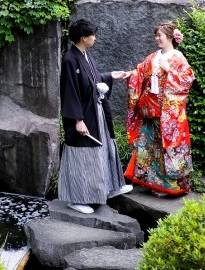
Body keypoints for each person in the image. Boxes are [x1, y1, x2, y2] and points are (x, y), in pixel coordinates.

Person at [59, 19, 133, 214]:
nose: (95, 38)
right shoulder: (70, 59)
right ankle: (77, 199)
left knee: (103, 146)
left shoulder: (84, 54)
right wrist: (78, 120)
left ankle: (107, 187)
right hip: (82, 116)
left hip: (94, 110)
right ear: (84, 38)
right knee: (83, 155)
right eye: (93, 35)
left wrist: (110, 76)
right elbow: (70, 92)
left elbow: (93, 79)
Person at [123, 22, 194, 196]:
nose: (157, 39)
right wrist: (129, 74)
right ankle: (153, 183)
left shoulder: (177, 57)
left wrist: (169, 69)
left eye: (160, 35)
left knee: (166, 147)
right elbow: (139, 72)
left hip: (169, 112)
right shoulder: (153, 56)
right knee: (150, 147)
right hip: (150, 108)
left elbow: (187, 80)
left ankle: (171, 186)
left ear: (170, 37)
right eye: (156, 35)